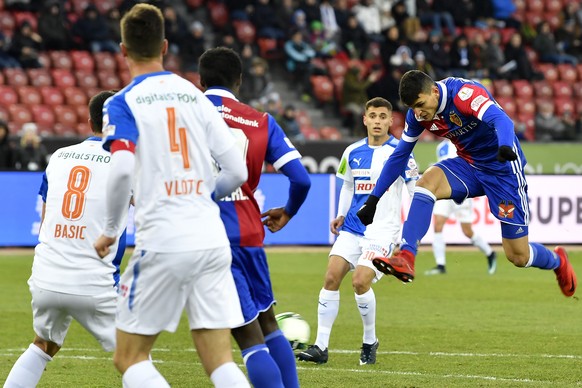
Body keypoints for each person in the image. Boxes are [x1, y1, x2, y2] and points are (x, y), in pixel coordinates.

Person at [92, 5, 250, 388]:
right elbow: (238, 171)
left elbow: (123, 168)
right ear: (164, 46)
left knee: (129, 356)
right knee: (220, 361)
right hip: (211, 240)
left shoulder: (122, 102)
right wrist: (199, 197)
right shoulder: (195, 96)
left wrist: (111, 230)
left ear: (123, 50)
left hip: (164, 240)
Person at [356, 70, 577, 298]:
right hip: (469, 165)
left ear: (433, 91)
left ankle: (558, 261)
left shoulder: (463, 94)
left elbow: (502, 120)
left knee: (518, 256)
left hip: (503, 169)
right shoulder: (418, 115)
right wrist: (374, 199)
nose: (418, 112)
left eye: (421, 104)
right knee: (427, 182)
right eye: (413, 108)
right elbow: (399, 156)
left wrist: (504, 146)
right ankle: (406, 256)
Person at [199, 46, 311, 388]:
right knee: (268, 324)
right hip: (249, 231)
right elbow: (302, 179)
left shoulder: (187, 114)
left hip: (206, 233)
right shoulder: (261, 121)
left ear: (200, 80)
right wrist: (288, 211)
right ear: (240, 81)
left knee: (247, 336)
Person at [4, 90, 128, 388]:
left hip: (46, 276)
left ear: (89, 121)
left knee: (43, 345)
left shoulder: (59, 156)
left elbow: (47, 217)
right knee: (134, 357)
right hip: (95, 283)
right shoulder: (125, 161)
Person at [297, 97, 418, 365]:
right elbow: (349, 186)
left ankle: (369, 340)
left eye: (382, 116)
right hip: (353, 228)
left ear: (391, 120)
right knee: (331, 277)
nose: (377, 121)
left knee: (360, 281)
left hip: (383, 232)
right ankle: (321, 346)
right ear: (364, 119)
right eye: (372, 115)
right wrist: (340, 214)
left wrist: (407, 237)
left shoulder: (401, 153)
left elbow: (414, 193)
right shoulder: (351, 151)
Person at [425, 138, 497, 276]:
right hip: (445, 191)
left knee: (467, 231)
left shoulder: (464, 142)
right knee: (438, 225)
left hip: (462, 191)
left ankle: (490, 253)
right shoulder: (440, 147)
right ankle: (440, 265)